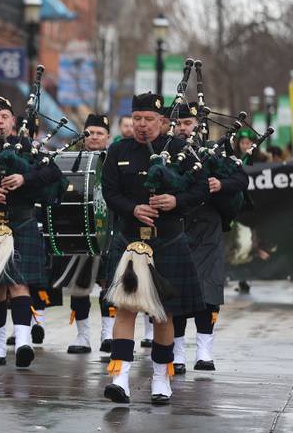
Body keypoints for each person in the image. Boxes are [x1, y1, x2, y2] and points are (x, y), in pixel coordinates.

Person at [101, 92, 208, 405]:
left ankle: (162, 379)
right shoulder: (119, 150)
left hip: (168, 239)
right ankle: (119, 378)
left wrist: (176, 201)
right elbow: (110, 193)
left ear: (163, 121)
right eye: (137, 119)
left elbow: (201, 188)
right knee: (125, 308)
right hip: (130, 240)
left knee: (163, 315)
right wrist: (133, 208)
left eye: (148, 119)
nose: (142, 125)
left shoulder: (180, 150)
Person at [0, 98, 61, 368]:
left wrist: (24, 178)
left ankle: (23, 342)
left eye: (5, 116)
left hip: (20, 221)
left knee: (19, 283)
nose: (0, 121)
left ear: (13, 121)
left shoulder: (27, 147)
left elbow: (52, 172)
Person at [172, 103, 249, 373]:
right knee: (177, 292)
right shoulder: (167, 150)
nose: (184, 128)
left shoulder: (216, 150)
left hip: (208, 227)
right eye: (180, 123)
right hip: (177, 227)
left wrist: (221, 184)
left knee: (209, 291)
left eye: (188, 123)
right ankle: (177, 352)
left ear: (199, 125)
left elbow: (241, 180)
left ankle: (204, 351)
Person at [62, 114, 116, 355]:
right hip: (80, 228)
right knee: (80, 285)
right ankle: (83, 336)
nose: (94, 137)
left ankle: (109, 334)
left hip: (109, 229)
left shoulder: (114, 161)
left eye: (99, 133)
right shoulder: (72, 159)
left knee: (108, 283)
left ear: (108, 137)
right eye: (89, 133)